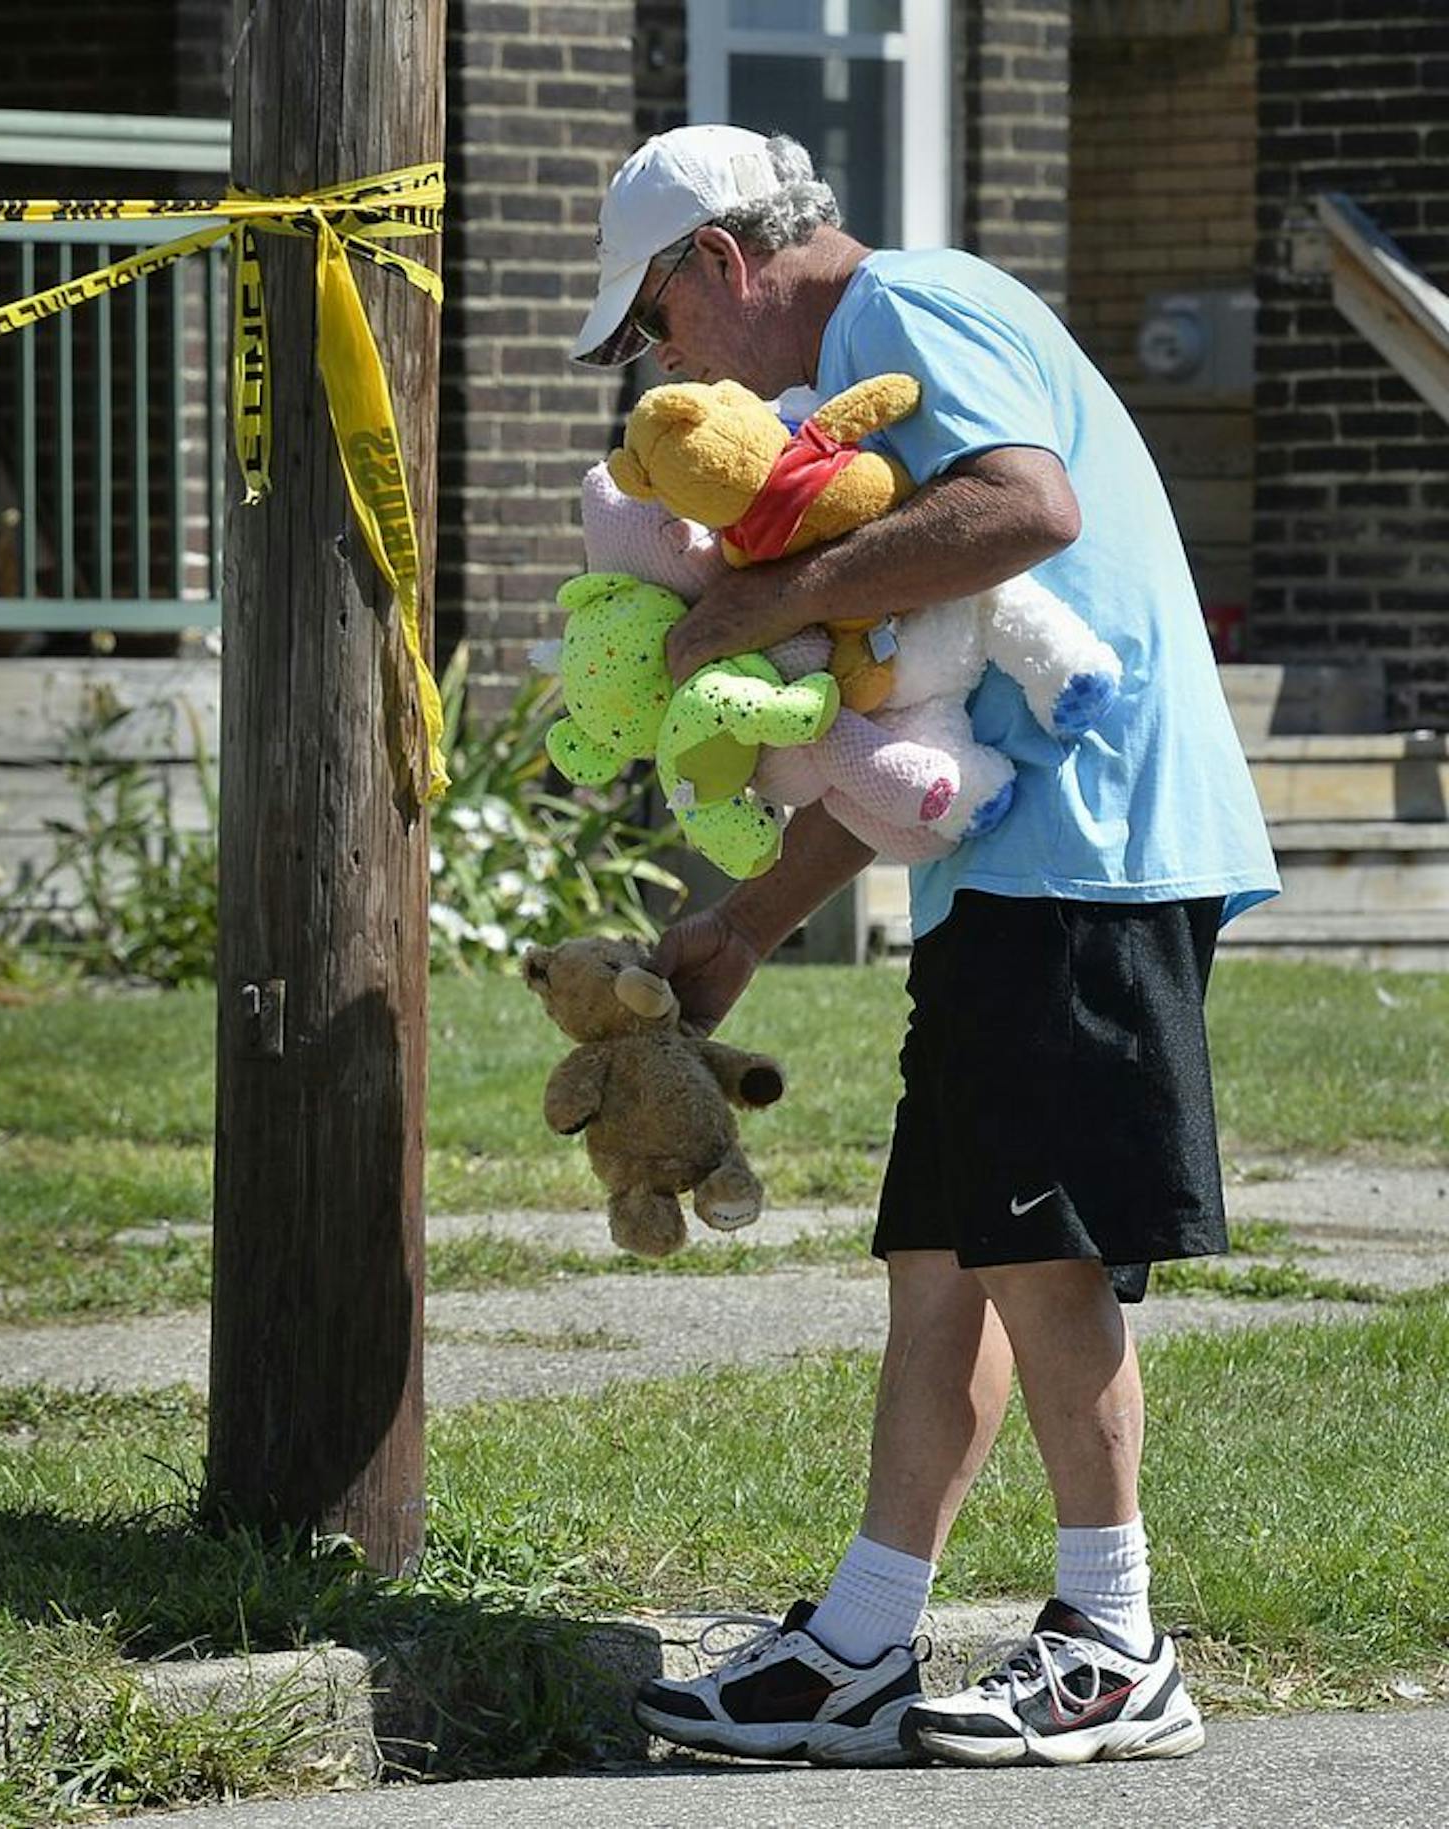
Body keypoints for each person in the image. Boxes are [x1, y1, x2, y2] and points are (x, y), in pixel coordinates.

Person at [570, 123, 1279, 1769]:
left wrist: (758, 604)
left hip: (1088, 849)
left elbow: (1028, 509)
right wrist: (745, 924)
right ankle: (861, 1645)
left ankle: (1117, 1637)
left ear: (725, 267)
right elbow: (918, 706)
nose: (662, 368)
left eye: (655, 327)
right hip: (1016, 862)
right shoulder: (861, 409)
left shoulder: (903, 309)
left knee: (1039, 1240)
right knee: (945, 1256)